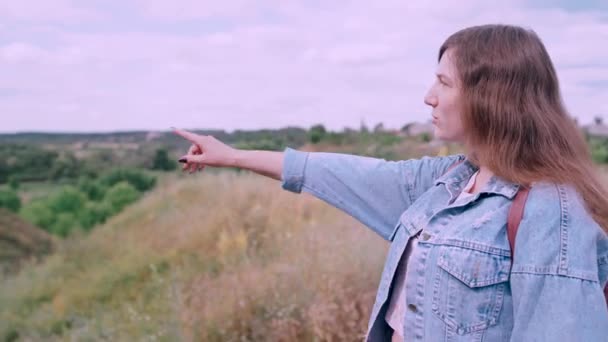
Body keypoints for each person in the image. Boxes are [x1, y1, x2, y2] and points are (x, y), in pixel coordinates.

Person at [173, 24, 608, 341]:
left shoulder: (553, 210)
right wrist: (231, 156)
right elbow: (341, 173)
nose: (428, 96)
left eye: (443, 82)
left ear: (490, 96)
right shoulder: (449, 180)